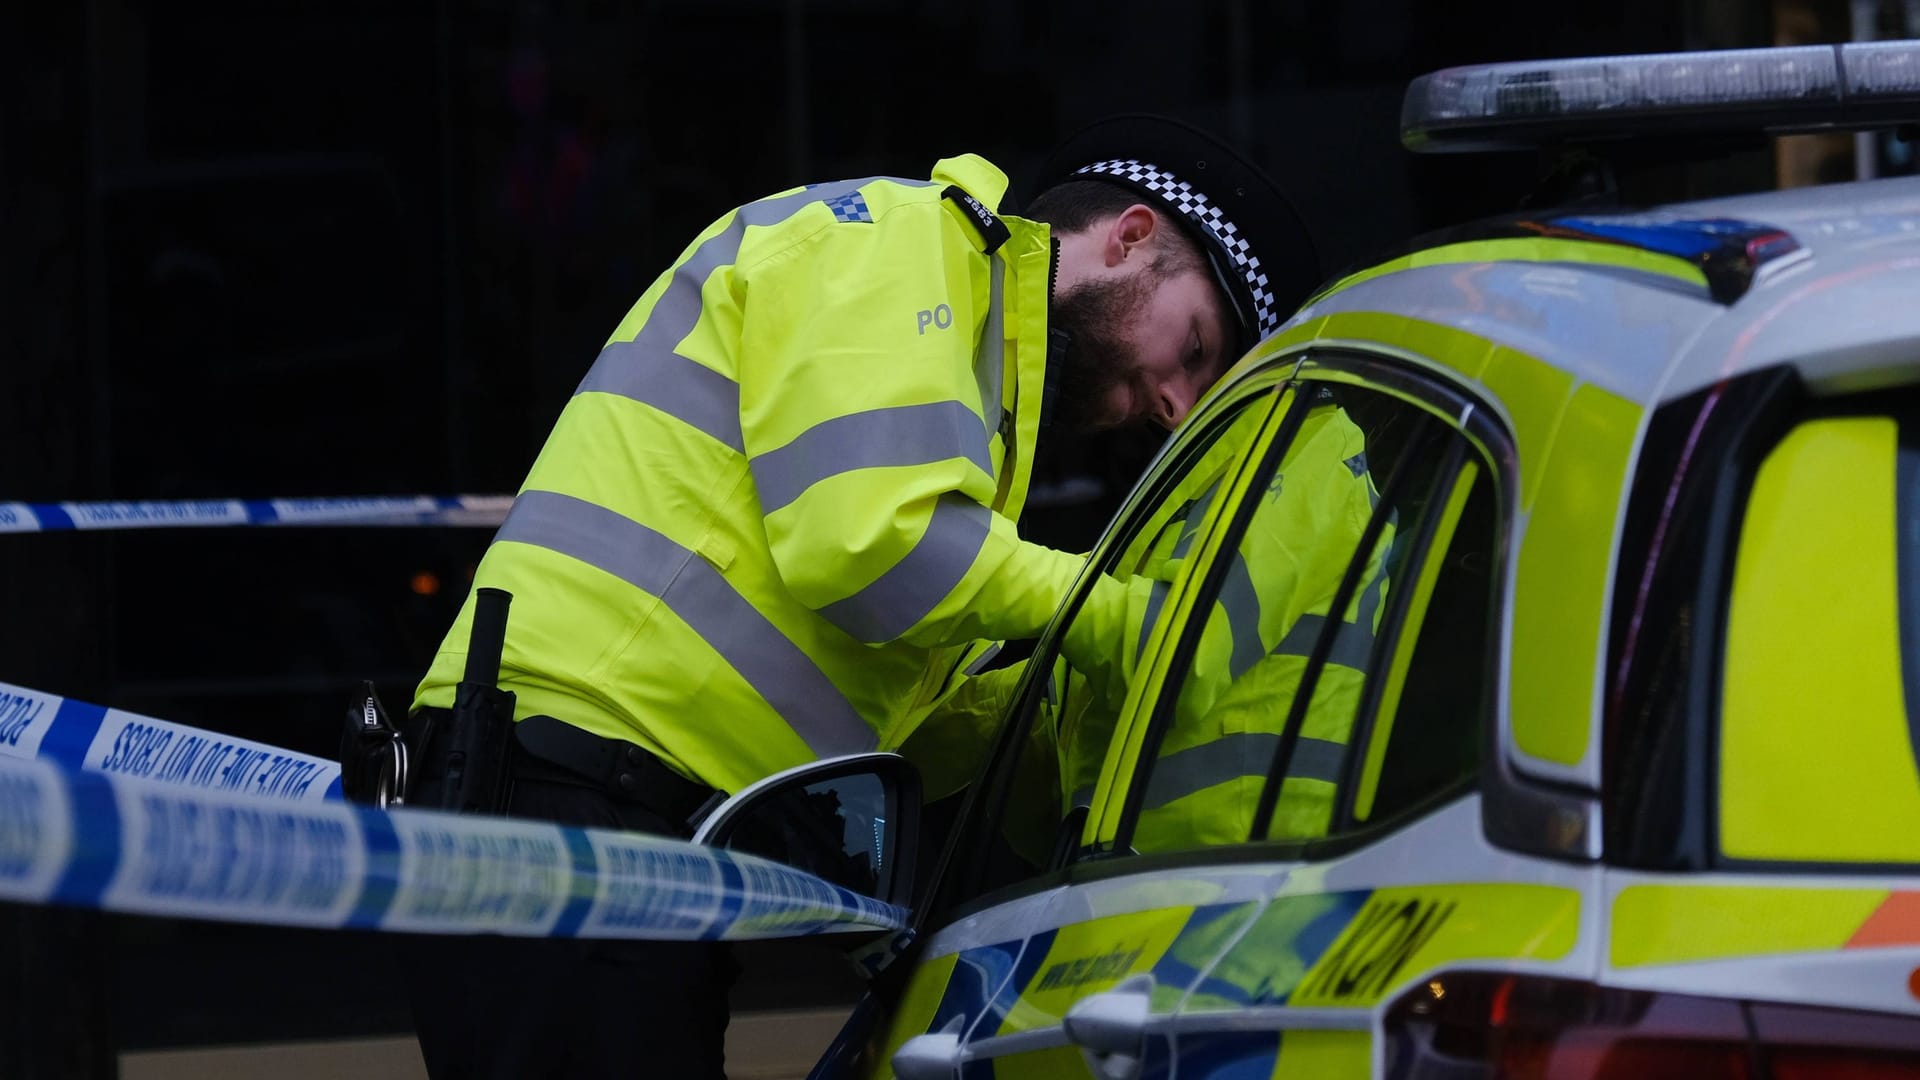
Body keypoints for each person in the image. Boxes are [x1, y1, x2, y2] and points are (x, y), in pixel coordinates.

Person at [401, 113, 1319, 1079]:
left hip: (612, 820)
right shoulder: (906, 242)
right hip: (572, 797)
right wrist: (1128, 622)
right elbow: (865, 546)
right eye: (1196, 347)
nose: (1177, 406)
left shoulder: (966, 383)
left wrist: (1053, 699)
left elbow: (899, 717)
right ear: (1130, 237)